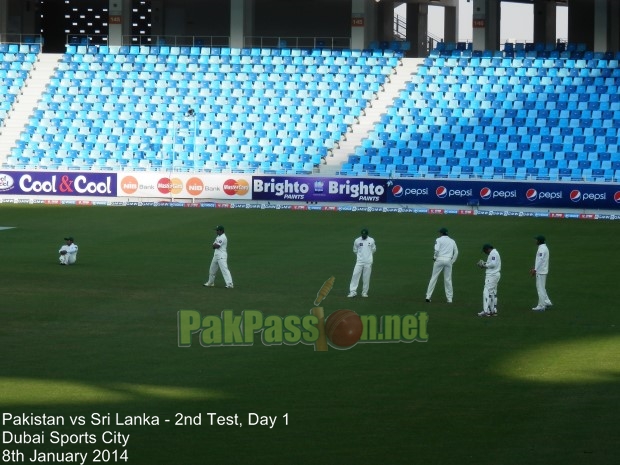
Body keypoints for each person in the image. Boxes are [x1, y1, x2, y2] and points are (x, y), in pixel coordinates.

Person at [425, 227, 458, 303]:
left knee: (433, 278)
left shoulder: (438, 240)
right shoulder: (452, 241)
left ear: (441, 233)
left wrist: (434, 257)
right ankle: (449, 299)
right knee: (448, 279)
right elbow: (456, 252)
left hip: (439, 260)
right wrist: (452, 261)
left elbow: (436, 250)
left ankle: (428, 296)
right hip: (448, 260)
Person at [348, 228, 376, 298]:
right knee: (355, 275)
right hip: (359, 261)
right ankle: (352, 292)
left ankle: (364, 293)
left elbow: (373, 249)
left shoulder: (371, 240)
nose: (363, 236)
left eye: (365, 235)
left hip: (368, 262)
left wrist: (368, 256)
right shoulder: (357, 240)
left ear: (367, 234)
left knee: (366, 277)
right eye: (362, 235)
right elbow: (355, 250)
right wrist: (360, 257)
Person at [477, 244, 501, 317]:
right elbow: (492, 263)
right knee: (492, 292)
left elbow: (493, 264)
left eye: (485, 251)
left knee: (486, 292)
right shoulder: (494, 253)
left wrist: (484, 265)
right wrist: (484, 263)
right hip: (495, 275)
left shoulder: (493, 253)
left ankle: (486, 311)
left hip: (492, 276)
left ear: (487, 249)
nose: (485, 253)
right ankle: (493, 311)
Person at [530, 235, 553, 311]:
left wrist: (535, 269)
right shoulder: (543, 248)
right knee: (542, 287)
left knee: (540, 289)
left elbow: (540, 259)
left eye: (536, 240)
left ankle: (541, 305)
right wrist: (535, 267)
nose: (535, 241)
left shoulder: (542, 249)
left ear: (539, 241)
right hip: (542, 270)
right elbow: (539, 260)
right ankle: (547, 301)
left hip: (541, 271)